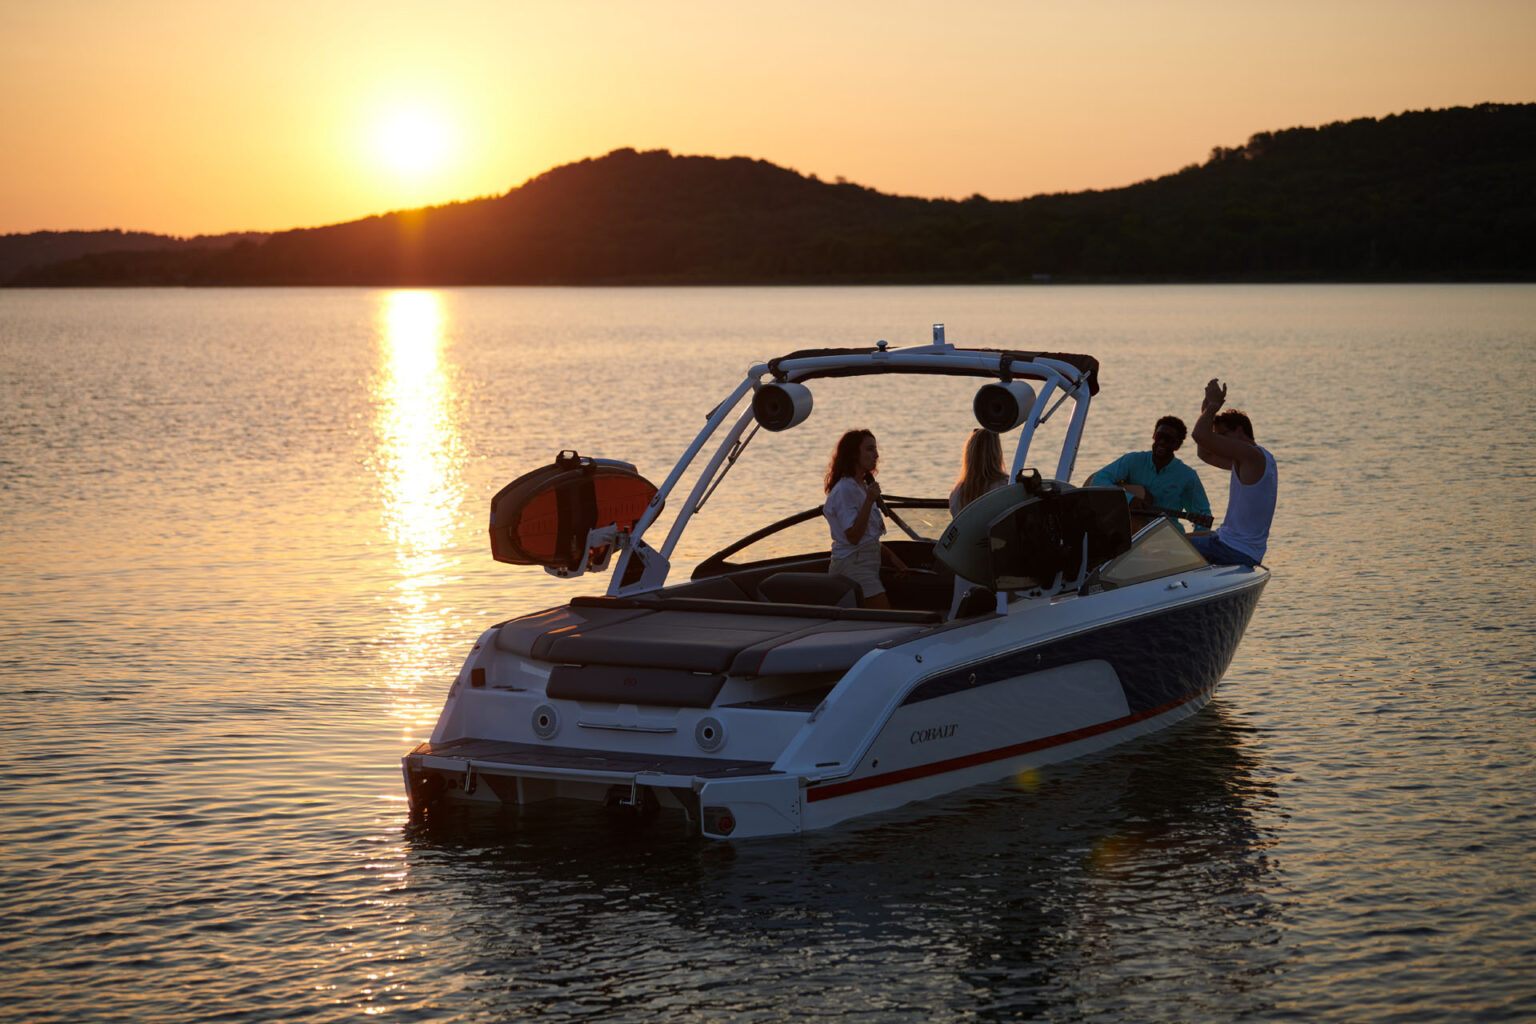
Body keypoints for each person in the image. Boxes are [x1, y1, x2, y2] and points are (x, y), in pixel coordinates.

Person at [1188, 379, 1277, 567]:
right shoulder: (1247, 460)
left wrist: (1213, 406)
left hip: (1234, 550)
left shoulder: (1252, 456)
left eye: (1222, 435)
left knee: (1165, 547)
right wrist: (1206, 410)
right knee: (1174, 538)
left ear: (1239, 431)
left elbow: (1200, 436)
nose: (1218, 441)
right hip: (1228, 542)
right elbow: (1204, 453)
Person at [823, 429, 907, 609]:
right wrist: (869, 500)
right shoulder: (845, 490)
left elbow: (868, 536)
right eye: (870, 449)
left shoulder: (861, 486)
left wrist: (891, 557)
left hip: (865, 564)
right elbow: (854, 537)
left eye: (875, 449)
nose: (876, 455)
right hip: (854, 567)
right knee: (885, 618)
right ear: (854, 455)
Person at [1086, 415, 1211, 532]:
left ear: (1177, 445)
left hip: (1167, 535)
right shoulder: (1133, 460)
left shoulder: (1188, 476)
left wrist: (1195, 541)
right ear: (1153, 436)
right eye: (1159, 436)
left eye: (1168, 439)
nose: (1161, 442)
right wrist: (1129, 499)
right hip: (1130, 532)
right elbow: (1098, 480)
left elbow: (1203, 516)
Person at [948, 428, 1010, 617]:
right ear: (996, 452)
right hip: (995, 568)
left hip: (966, 568)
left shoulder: (957, 492)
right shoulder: (1005, 487)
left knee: (966, 615)